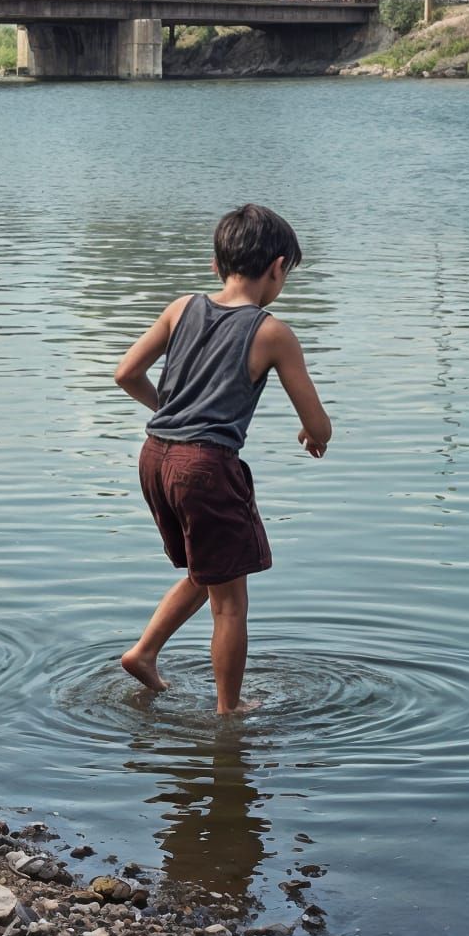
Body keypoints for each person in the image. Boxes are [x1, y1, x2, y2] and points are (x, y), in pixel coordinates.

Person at [111, 204, 332, 714]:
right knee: (231, 602)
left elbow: (125, 373)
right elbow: (318, 425)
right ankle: (229, 711)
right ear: (278, 268)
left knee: (209, 571)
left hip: (155, 458)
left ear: (216, 264)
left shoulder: (181, 307)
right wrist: (312, 434)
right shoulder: (271, 331)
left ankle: (144, 654)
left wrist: (173, 411)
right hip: (205, 468)